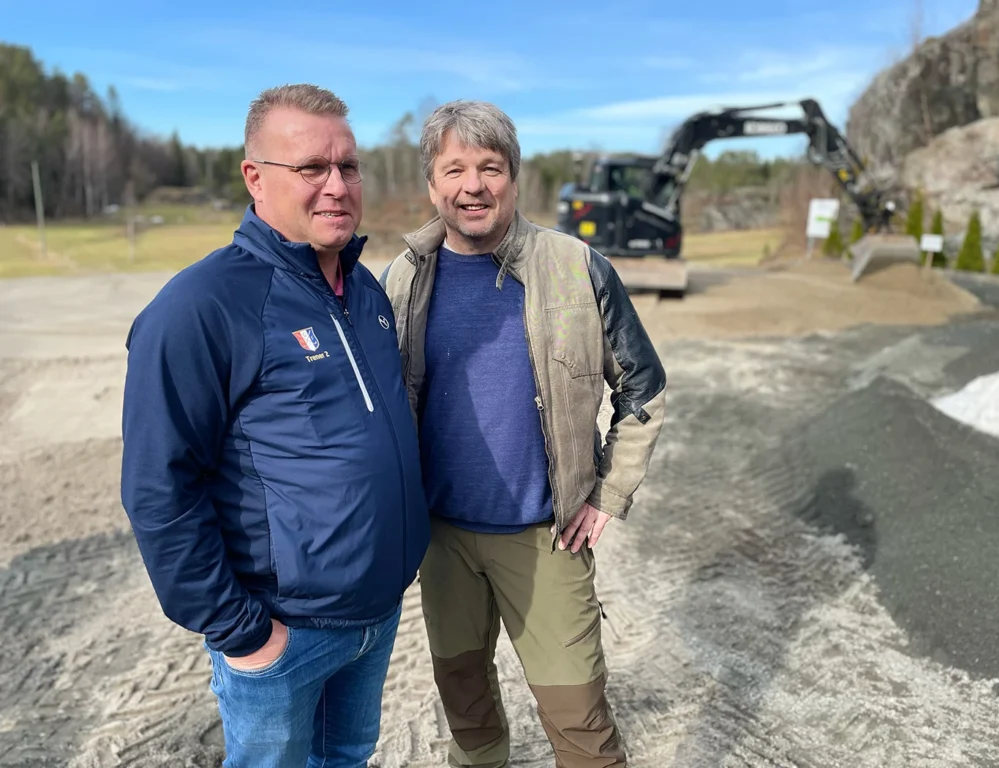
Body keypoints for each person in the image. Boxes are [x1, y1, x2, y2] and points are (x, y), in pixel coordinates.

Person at [120, 83, 431, 768]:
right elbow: (157, 487)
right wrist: (242, 631)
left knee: (347, 757)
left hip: (373, 618)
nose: (337, 186)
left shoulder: (366, 291)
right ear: (255, 179)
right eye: (312, 168)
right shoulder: (202, 307)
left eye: (348, 167)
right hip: (283, 632)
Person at [381, 100, 667, 767]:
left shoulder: (578, 268)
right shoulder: (401, 280)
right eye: (454, 169)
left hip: (546, 537)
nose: (472, 185)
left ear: (515, 177)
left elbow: (643, 389)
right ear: (432, 185)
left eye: (490, 167)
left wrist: (606, 496)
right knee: (466, 706)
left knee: (581, 727)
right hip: (443, 541)